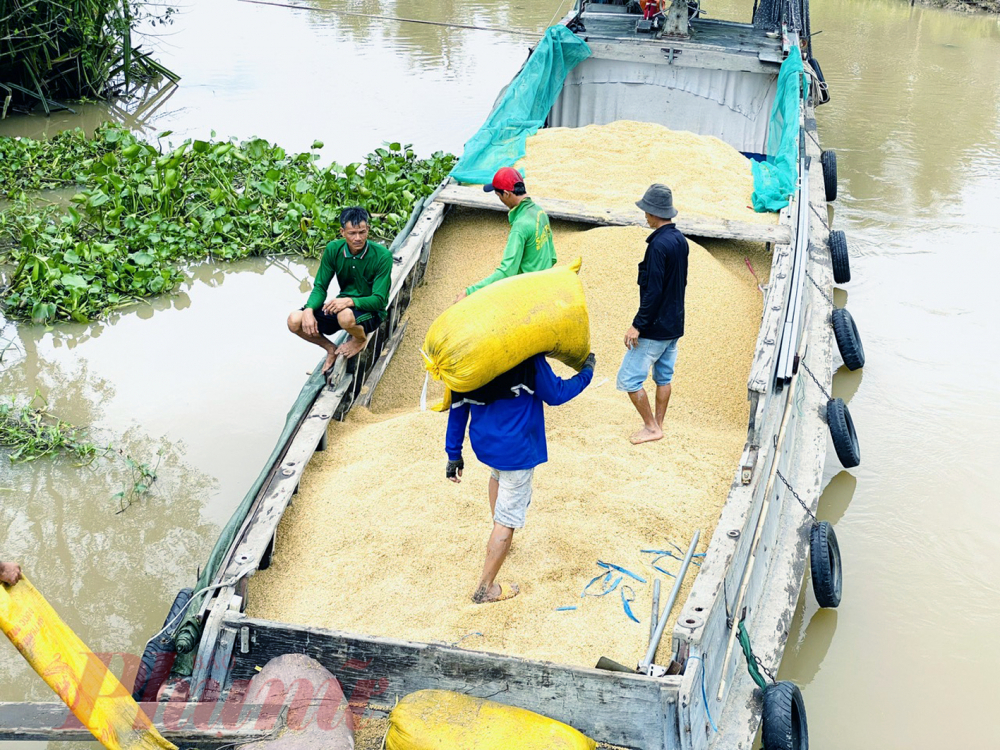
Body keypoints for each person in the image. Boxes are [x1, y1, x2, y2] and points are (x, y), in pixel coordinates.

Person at [445, 352, 595, 604]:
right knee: (508, 518)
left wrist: (454, 453)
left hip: (486, 445)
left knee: (496, 476)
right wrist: (587, 373)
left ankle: (502, 542)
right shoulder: (526, 355)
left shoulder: (469, 354)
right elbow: (556, 394)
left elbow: (458, 407)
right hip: (516, 450)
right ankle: (485, 589)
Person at [617, 184, 689, 445]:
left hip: (655, 328)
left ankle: (651, 427)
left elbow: (654, 291)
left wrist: (638, 325)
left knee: (629, 379)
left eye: (646, 211)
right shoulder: (679, 240)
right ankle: (659, 424)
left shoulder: (658, 245)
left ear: (654, 213)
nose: (644, 216)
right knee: (664, 377)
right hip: (674, 325)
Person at [287, 207, 393, 376]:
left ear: (368, 230)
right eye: (352, 233)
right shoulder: (333, 249)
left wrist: (350, 301)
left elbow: (379, 300)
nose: (357, 238)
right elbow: (321, 286)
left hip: (370, 311)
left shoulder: (382, 256)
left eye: (362, 232)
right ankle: (330, 348)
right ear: (342, 232)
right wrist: (308, 309)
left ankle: (359, 339)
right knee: (295, 320)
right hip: (344, 308)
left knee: (344, 315)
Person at [454, 167, 556, 303]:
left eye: (499, 196)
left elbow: (507, 271)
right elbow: (552, 257)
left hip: (530, 292)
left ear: (507, 194)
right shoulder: (540, 212)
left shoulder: (520, 227)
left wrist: (469, 292)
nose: (500, 200)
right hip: (547, 282)